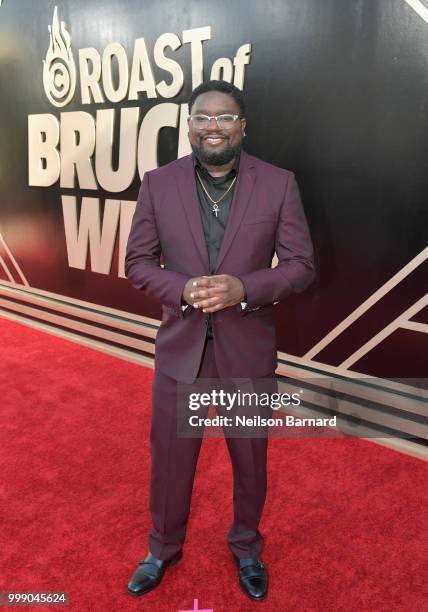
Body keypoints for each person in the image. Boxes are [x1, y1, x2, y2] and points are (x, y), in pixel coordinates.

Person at [124, 80, 315, 601]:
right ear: (188, 125)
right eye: (203, 117)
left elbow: (300, 266)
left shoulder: (277, 184)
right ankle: (162, 548)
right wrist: (183, 288)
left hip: (246, 350)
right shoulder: (157, 184)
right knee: (169, 460)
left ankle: (247, 548)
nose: (213, 126)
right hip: (180, 349)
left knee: (250, 460)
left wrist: (245, 289)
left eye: (225, 117)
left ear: (242, 125)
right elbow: (137, 263)